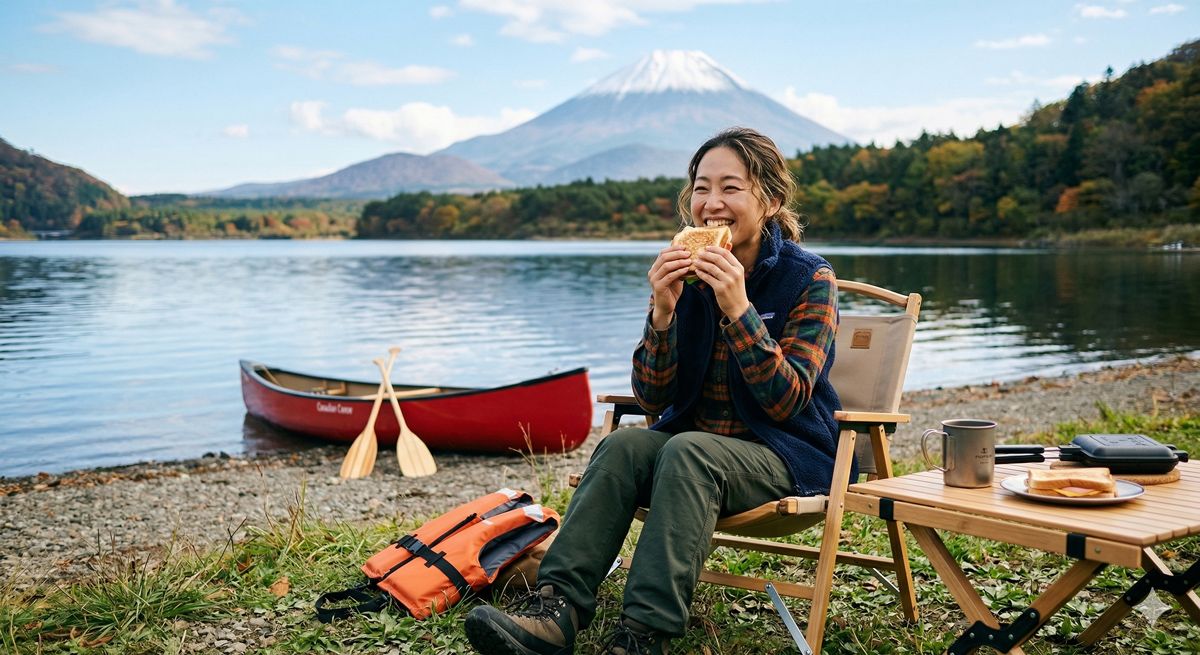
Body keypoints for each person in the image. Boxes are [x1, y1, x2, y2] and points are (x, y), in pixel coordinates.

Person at [464, 126, 844, 655]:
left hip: (785, 454)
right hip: (696, 449)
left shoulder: (809, 280)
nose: (712, 203)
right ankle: (555, 610)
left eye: (731, 188)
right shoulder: (685, 270)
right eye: (702, 188)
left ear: (771, 200)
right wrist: (662, 316)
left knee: (691, 450)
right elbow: (651, 397)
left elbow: (787, 399)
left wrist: (739, 309)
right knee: (624, 444)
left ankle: (644, 634)